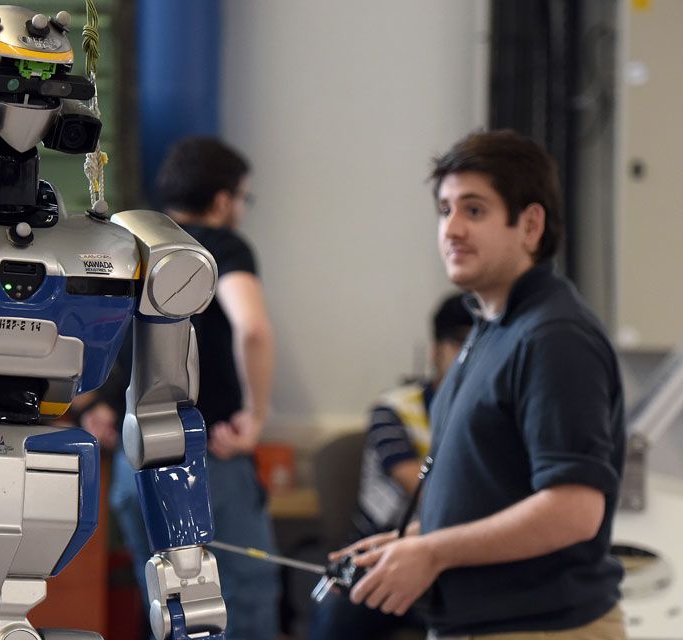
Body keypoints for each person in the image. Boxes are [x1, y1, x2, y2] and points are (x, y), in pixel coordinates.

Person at [334, 130, 627, 640]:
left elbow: (574, 510)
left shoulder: (554, 336)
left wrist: (433, 551)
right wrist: (412, 542)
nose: (451, 229)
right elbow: (494, 492)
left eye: (474, 210)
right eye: (445, 210)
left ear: (530, 225)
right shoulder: (492, 327)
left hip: (539, 628)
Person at [107, 136, 280, 640]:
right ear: (224, 199)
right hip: (205, 458)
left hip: (134, 460)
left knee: (169, 610)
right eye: (243, 198)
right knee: (238, 600)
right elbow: (253, 328)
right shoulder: (221, 247)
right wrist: (257, 416)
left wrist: (98, 405)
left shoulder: (131, 243)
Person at [309, 293, 472, 640]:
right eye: (460, 342)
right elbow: (429, 494)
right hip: (379, 555)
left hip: (447, 561)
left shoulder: (488, 414)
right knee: (335, 614)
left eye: (478, 345)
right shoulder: (393, 409)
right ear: (436, 350)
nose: (469, 357)